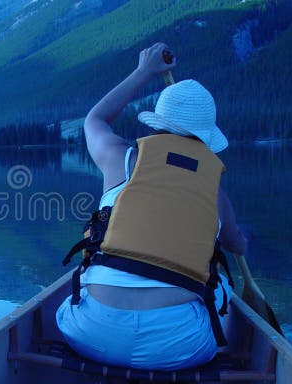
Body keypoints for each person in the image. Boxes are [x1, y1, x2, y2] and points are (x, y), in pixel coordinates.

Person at [56, 42, 248, 371]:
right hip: (178, 349)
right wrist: (239, 239)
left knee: (70, 300)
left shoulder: (121, 157)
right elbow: (236, 245)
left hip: (91, 334)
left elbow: (95, 119)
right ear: (206, 139)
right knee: (225, 288)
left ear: (157, 124)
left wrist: (144, 71)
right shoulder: (215, 190)